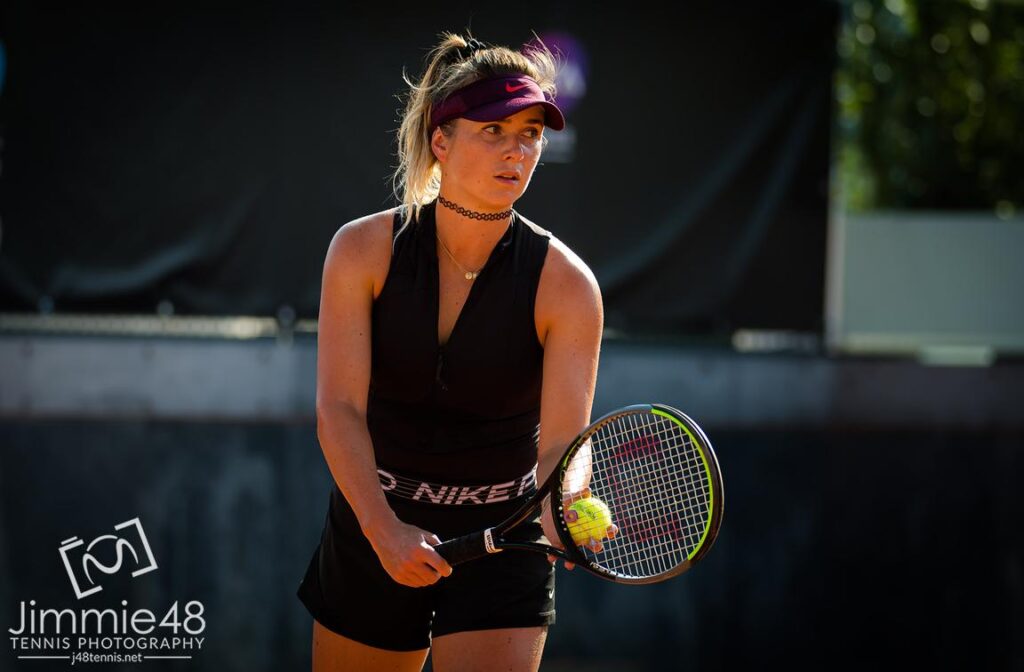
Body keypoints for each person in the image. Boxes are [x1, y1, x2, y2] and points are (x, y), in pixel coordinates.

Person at [296, 30, 603, 672]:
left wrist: (566, 504)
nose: (516, 150)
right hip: (374, 521)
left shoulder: (569, 287)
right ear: (441, 140)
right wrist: (384, 531)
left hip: (505, 544)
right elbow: (339, 410)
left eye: (530, 134)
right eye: (493, 130)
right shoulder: (360, 251)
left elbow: (561, 446)